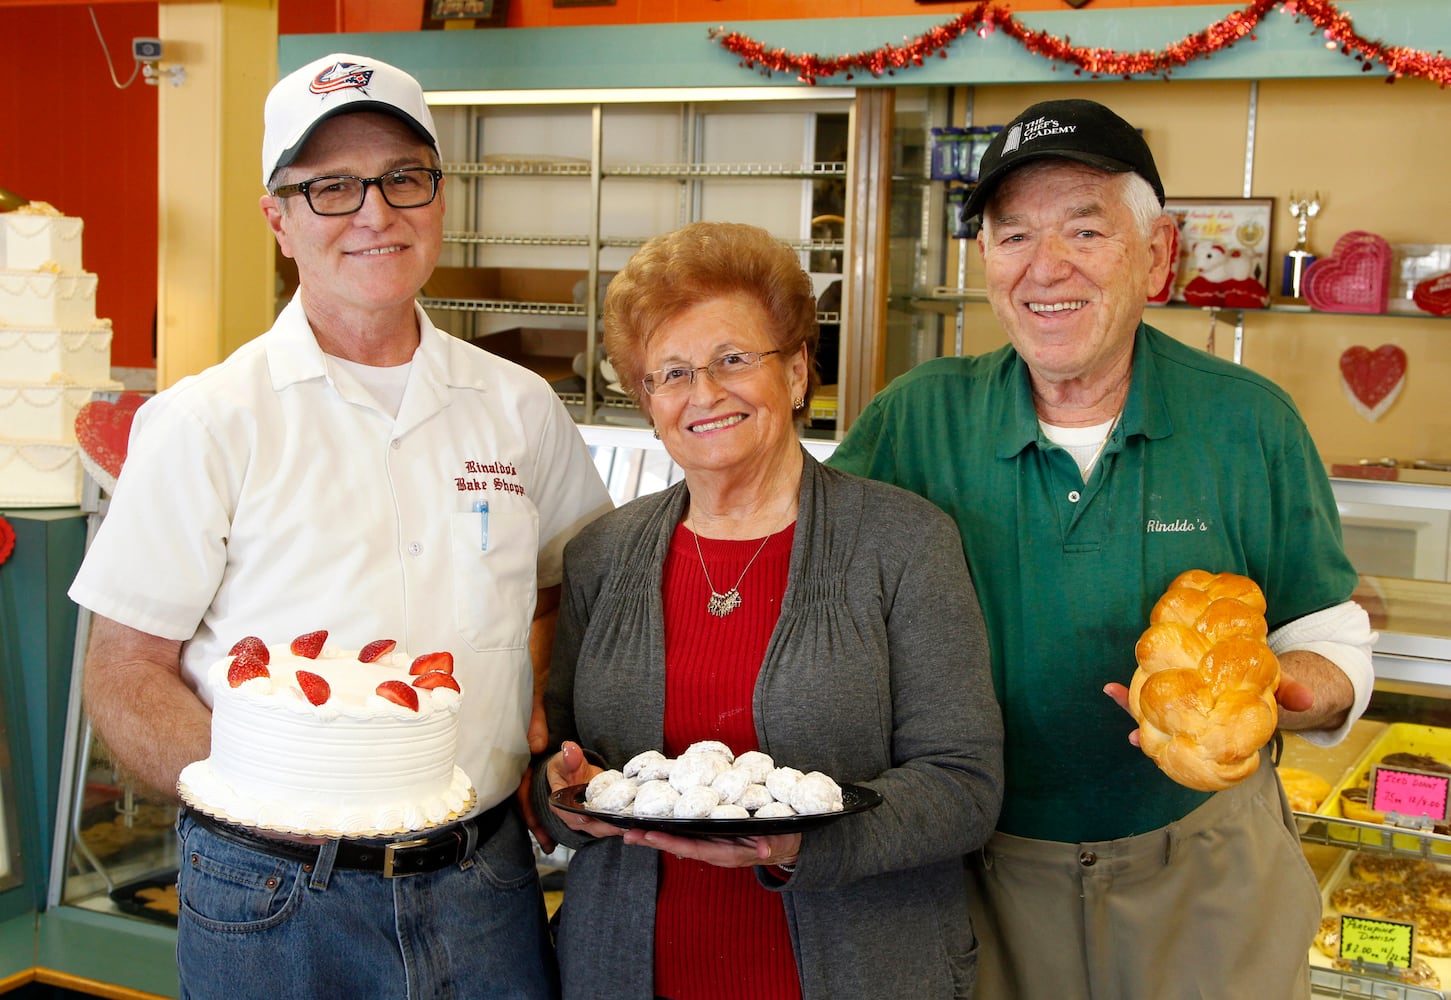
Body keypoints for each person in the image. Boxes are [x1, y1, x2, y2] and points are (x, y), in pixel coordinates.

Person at [68, 52, 612, 999]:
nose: (375, 212)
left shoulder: (519, 409)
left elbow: (566, 585)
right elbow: (123, 670)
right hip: (272, 894)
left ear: (439, 199)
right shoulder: (208, 422)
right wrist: (279, 778)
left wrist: (535, 717)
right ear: (277, 219)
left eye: (404, 178)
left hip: (483, 879)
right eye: (330, 187)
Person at [827, 99, 1376, 1000]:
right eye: (1012, 238)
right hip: (973, 870)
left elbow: (1328, 629)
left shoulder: (1247, 421)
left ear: (1156, 257)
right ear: (986, 262)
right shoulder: (915, 418)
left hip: (1205, 870)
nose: (1046, 268)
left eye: (1085, 231)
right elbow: (808, 594)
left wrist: (1301, 688)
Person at [527, 221, 1004, 1000]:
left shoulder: (904, 541)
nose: (704, 394)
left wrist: (798, 845)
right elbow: (555, 776)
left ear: (794, 373)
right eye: (671, 373)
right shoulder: (601, 556)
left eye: (733, 360)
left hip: (860, 969)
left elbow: (963, 786)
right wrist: (562, 792)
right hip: (626, 970)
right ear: (647, 401)